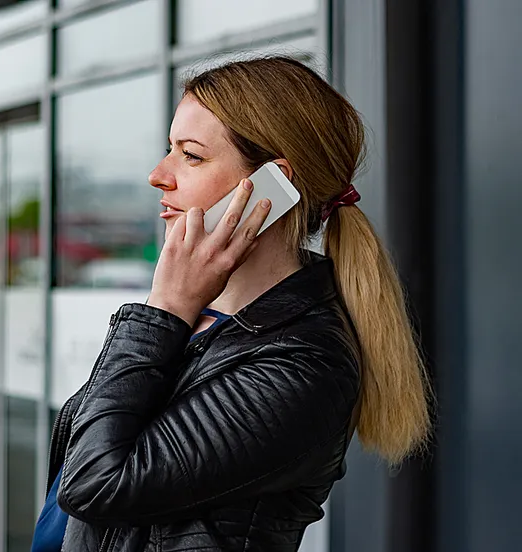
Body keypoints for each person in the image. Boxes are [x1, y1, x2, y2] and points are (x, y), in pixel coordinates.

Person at [31, 56, 431, 552]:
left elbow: (96, 483)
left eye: (191, 156)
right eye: (169, 150)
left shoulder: (303, 364)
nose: (158, 175)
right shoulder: (194, 320)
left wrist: (164, 309)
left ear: (272, 187)